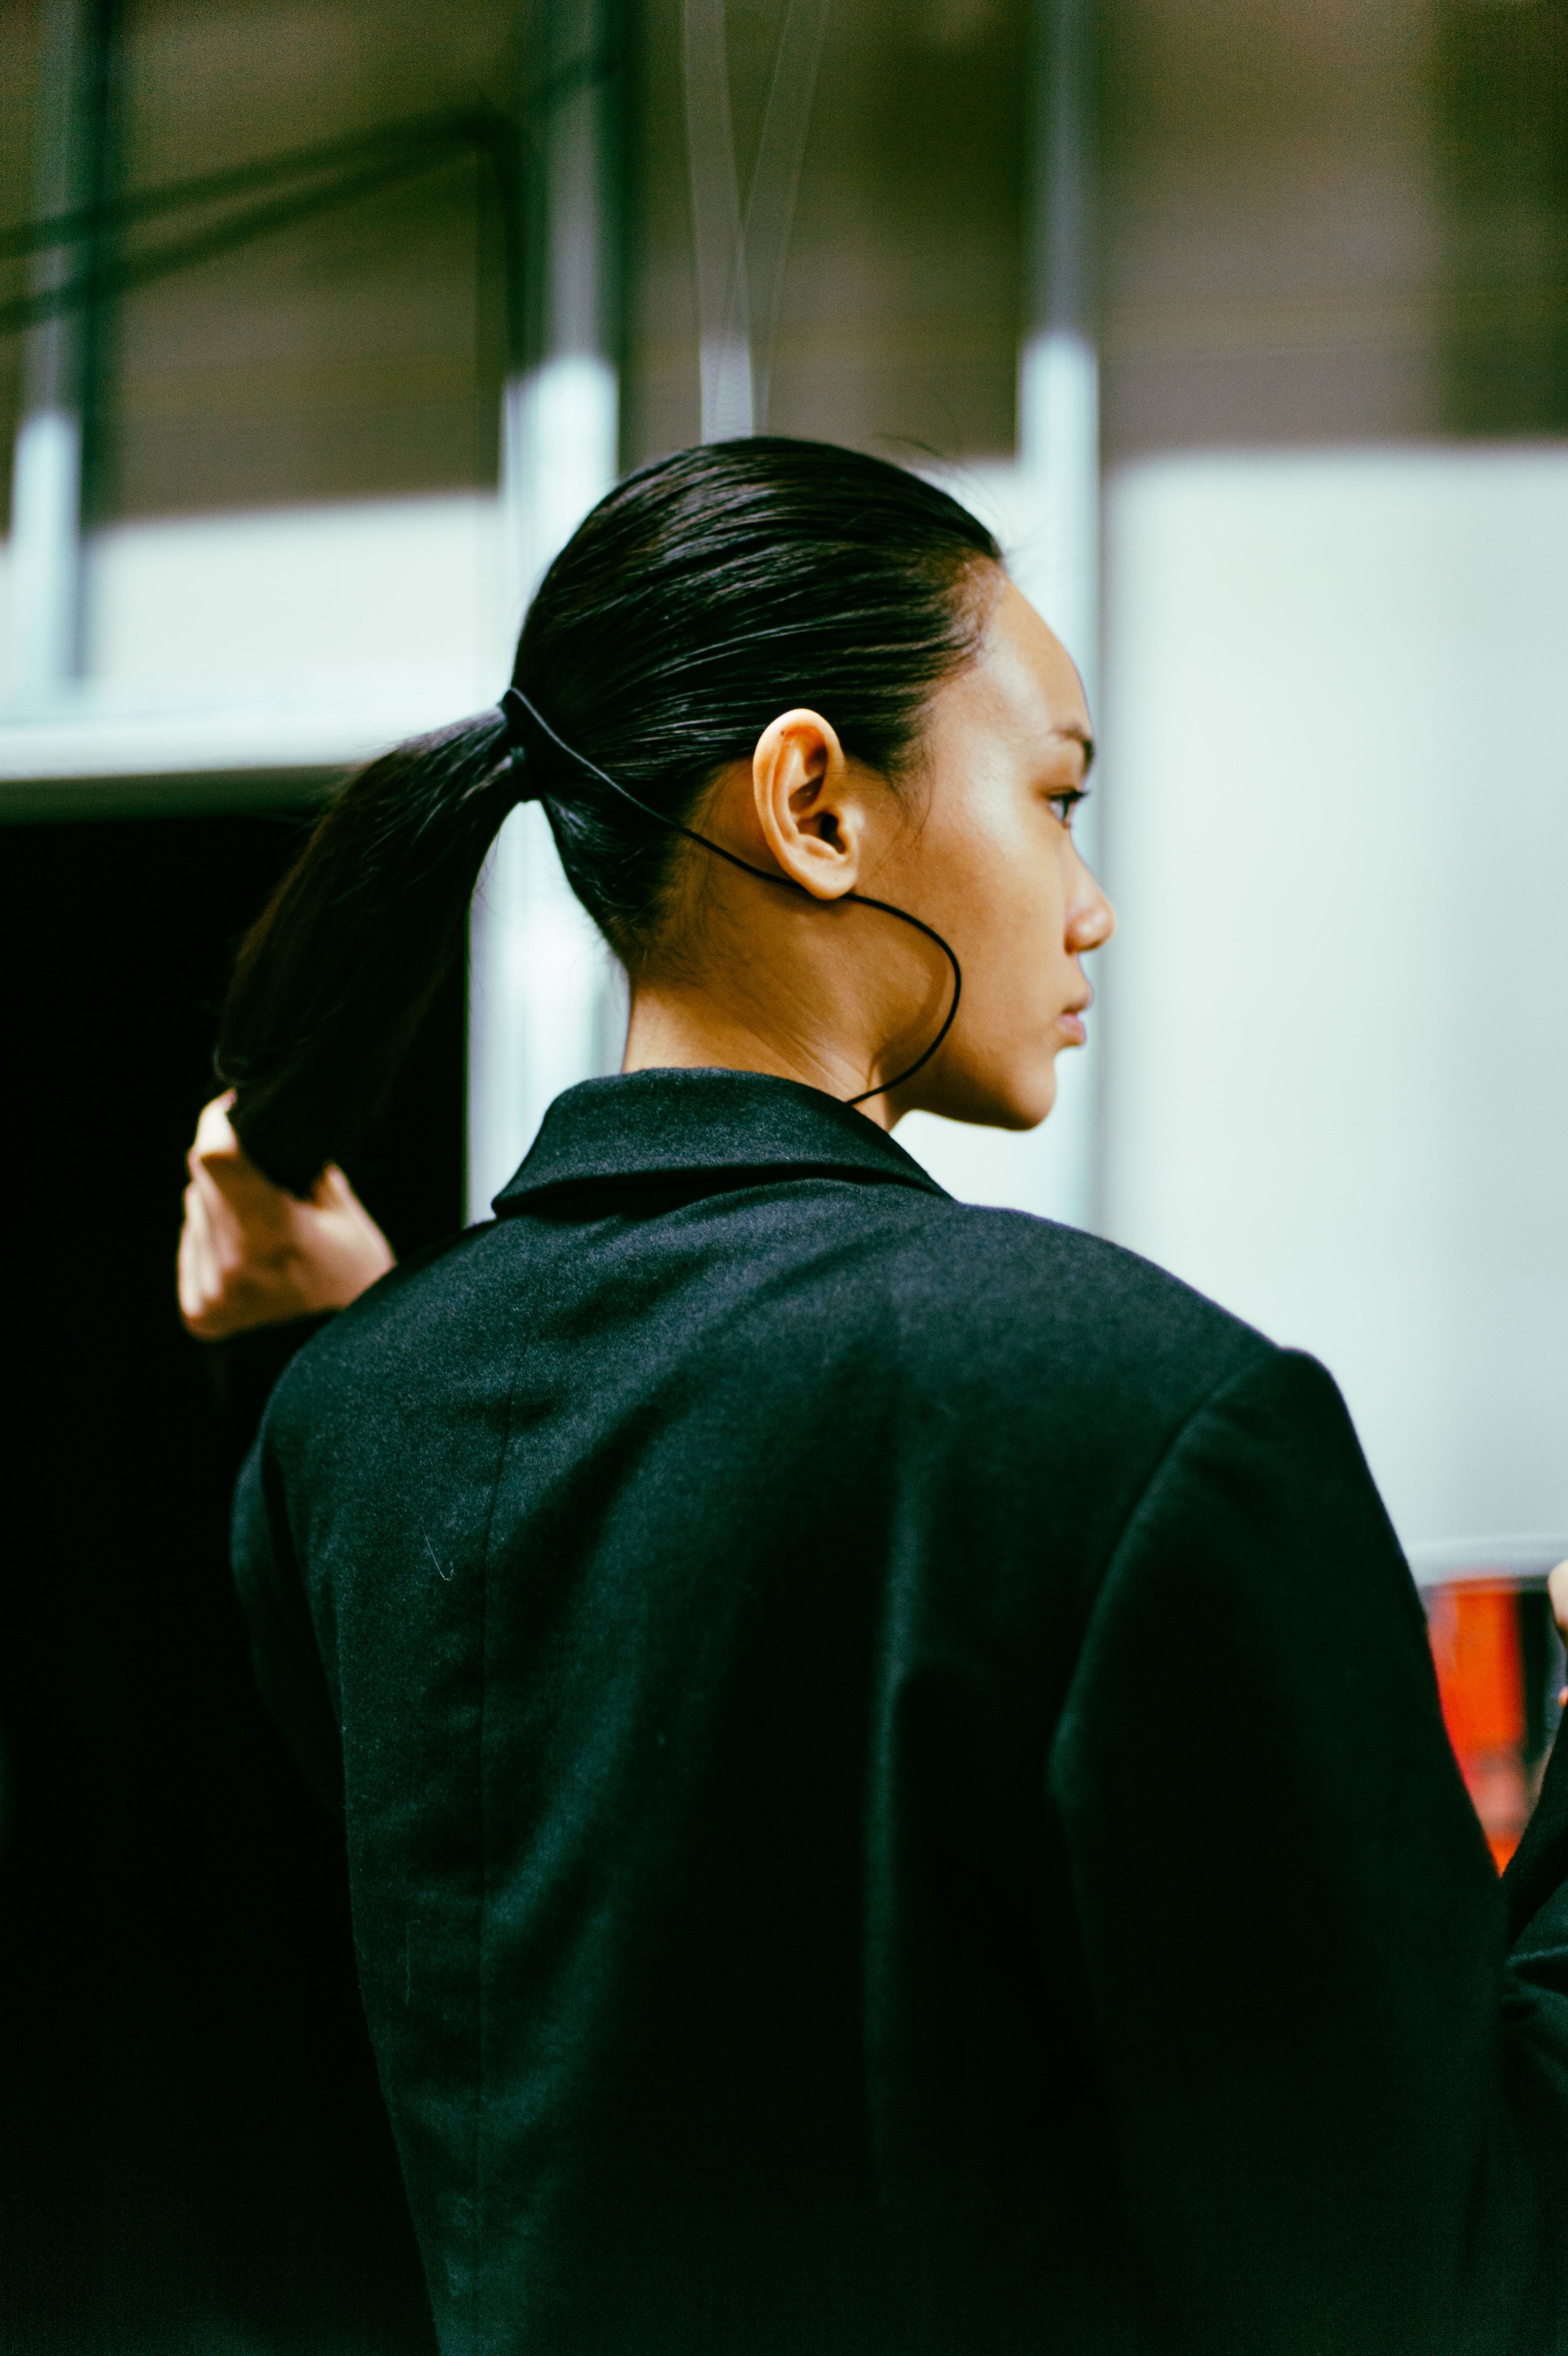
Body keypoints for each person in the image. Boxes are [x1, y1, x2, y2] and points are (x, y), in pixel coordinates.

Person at [178, 438, 1568, 2356]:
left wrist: (358, 1332)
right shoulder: (1153, 1419)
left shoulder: (347, 1437)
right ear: (815, 801)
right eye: (1057, 798)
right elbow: (1441, 2273)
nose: (1087, 905)